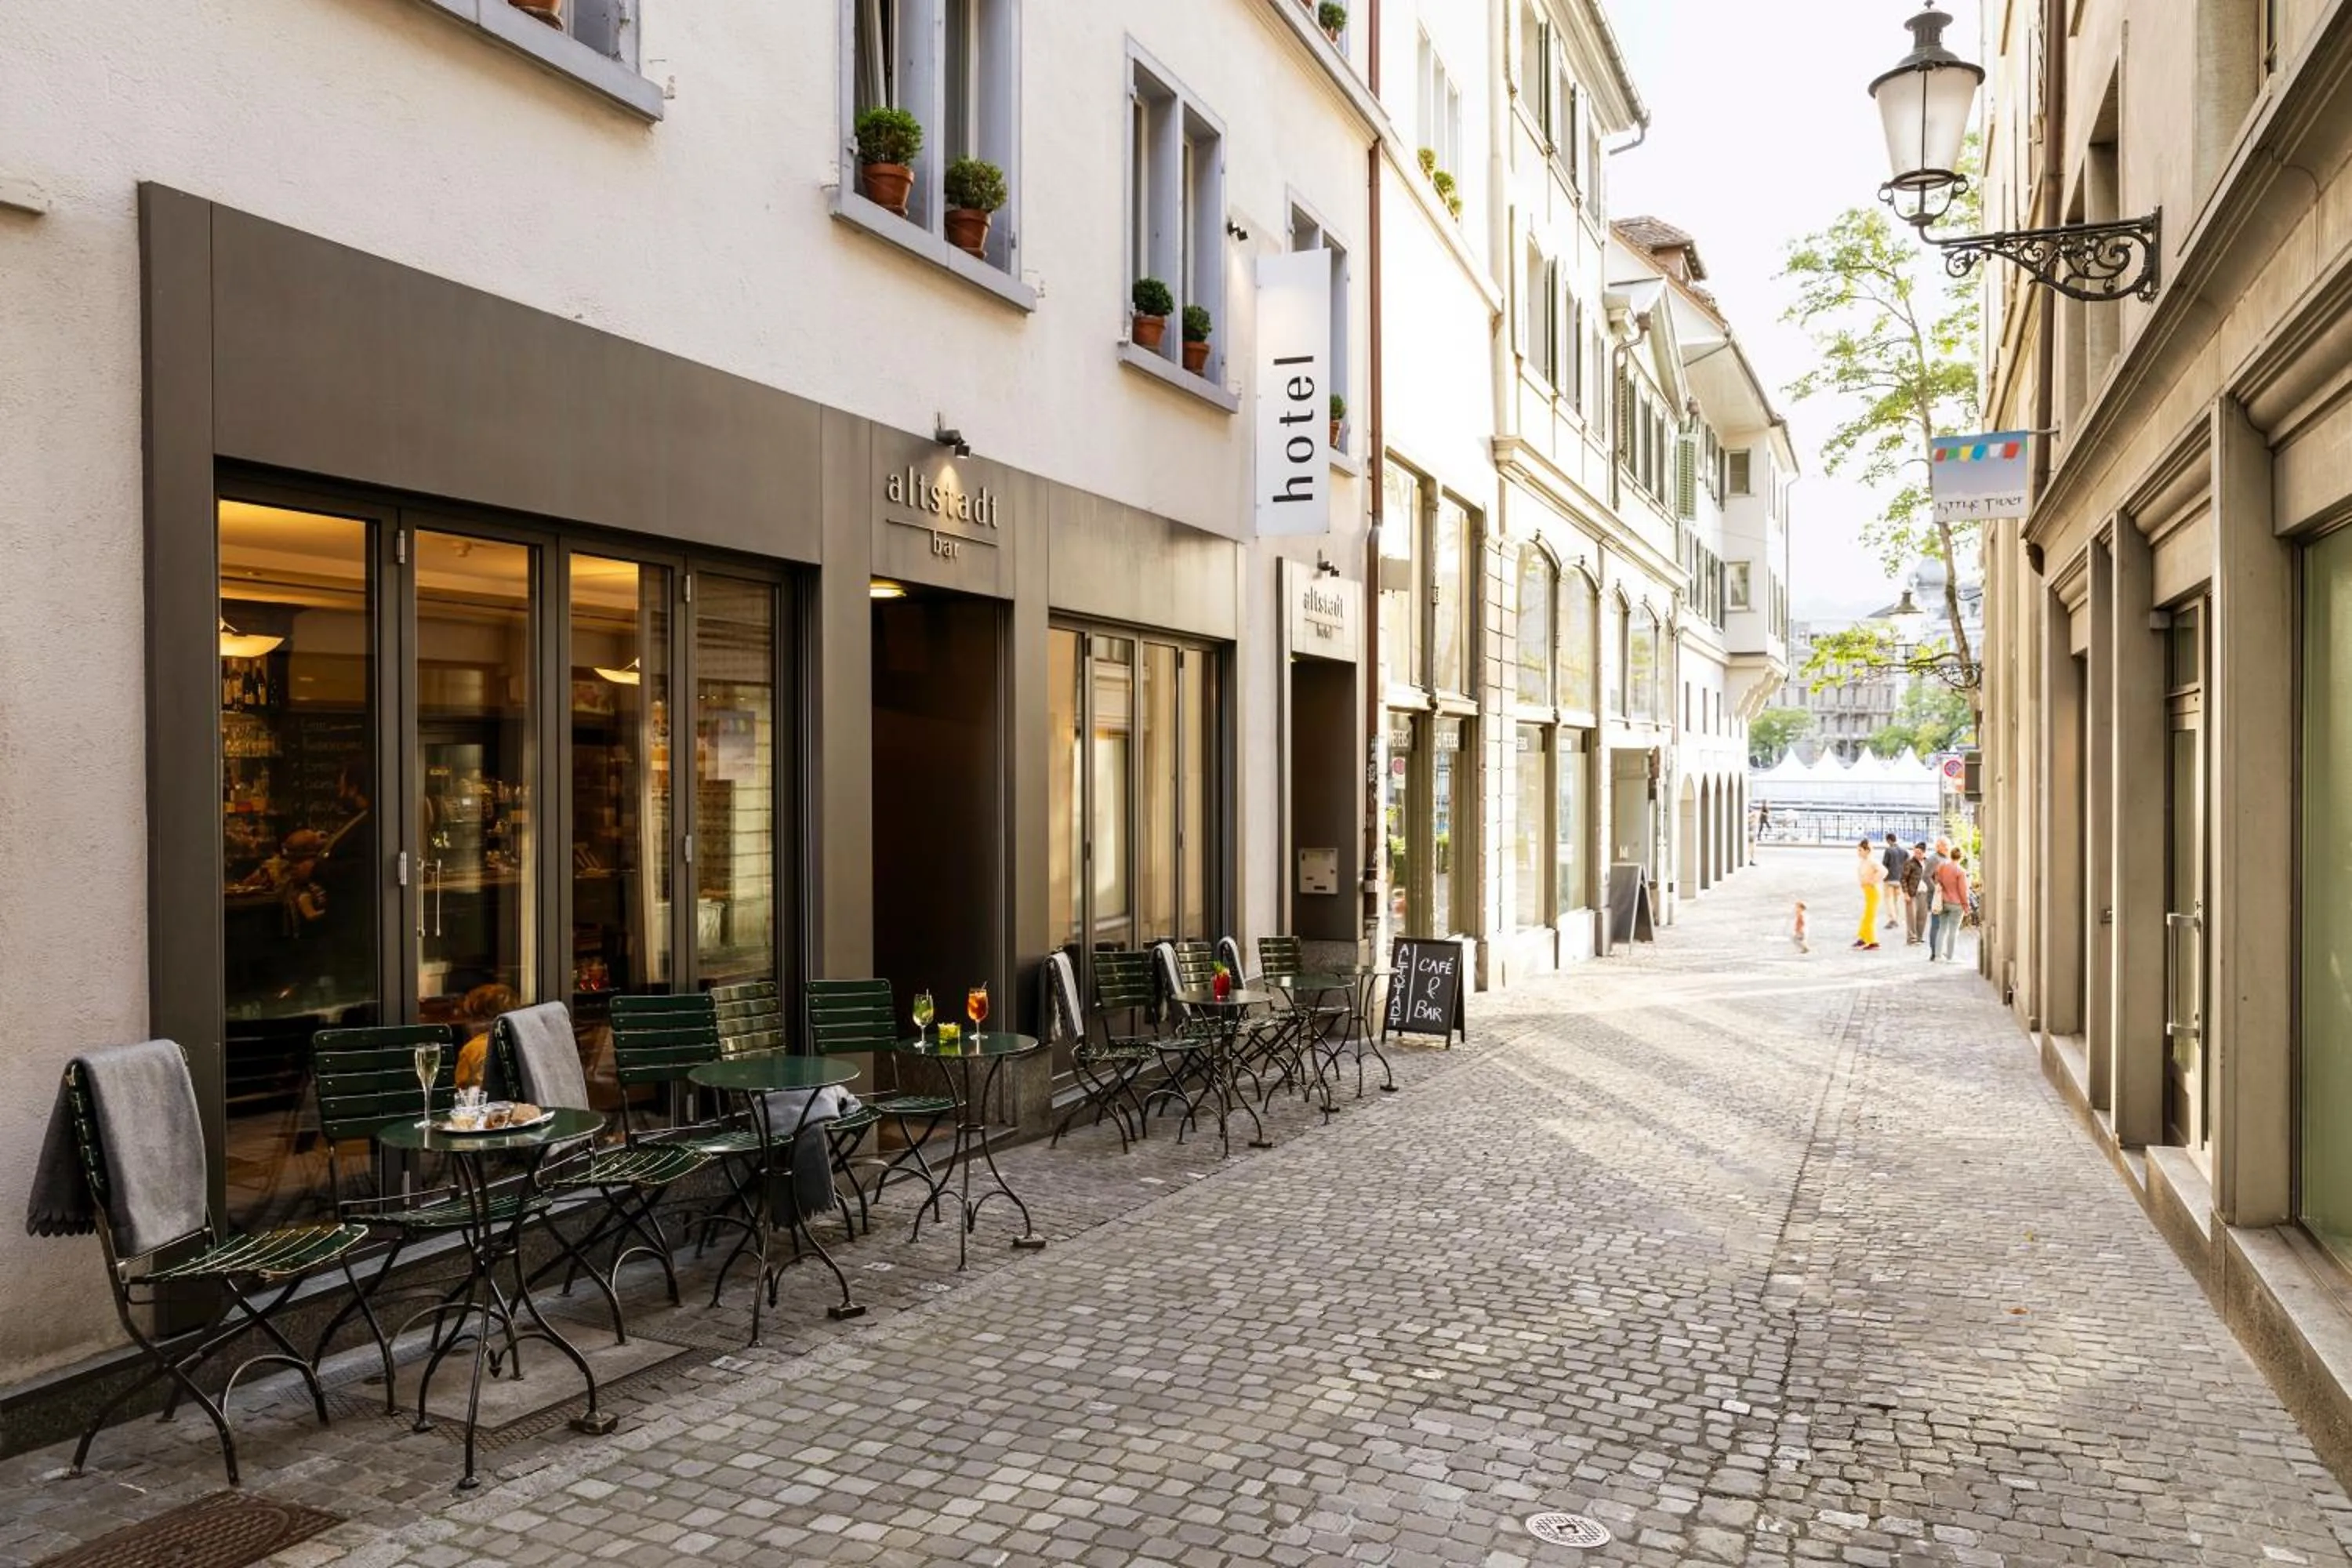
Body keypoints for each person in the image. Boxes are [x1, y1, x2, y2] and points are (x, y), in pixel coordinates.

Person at [1929, 849, 1972, 962]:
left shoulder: (1942, 867)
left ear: (1950, 855)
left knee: (1942, 928)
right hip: (1957, 904)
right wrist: (1966, 905)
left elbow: (1937, 880)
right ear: (1961, 857)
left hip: (1943, 901)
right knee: (1953, 930)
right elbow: (1963, 890)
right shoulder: (1961, 871)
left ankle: (1938, 955)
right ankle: (1950, 956)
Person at [1854, 837, 1886, 950]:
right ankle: (1863, 938)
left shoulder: (1872, 861)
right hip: (1868, 891)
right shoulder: (1865, 861)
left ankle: (1873, 942)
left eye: (1860, 850)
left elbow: (1883, 871)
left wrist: (1872, 881)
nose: (1858, 853)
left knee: (1869, 917)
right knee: (1866, 916)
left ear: (1867, 850)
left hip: (1872, 891)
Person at [1901, 840, 1932, 946]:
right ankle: (1911, 939)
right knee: (1911, 917)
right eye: (1915, 852)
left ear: (1924, 853)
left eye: (1919, 852)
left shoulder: (1928, 863)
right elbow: (1903, 879)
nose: (1916, 854)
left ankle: (1919, 937)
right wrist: (1905, 893)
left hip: (1924, 893)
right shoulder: (1910, 863)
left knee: (1922, 916)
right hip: (1912, 893)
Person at [1879, 833, 1907, 929]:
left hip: (1889, 878)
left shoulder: (1889, 851)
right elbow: (1908, 864)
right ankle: (1897, 918)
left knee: (1889, 900)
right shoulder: (1904, 851)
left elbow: (1884, 865)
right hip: (1899, 879)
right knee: (1896, 900)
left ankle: (1893, 920)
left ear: (1888, 840)